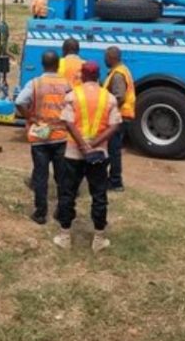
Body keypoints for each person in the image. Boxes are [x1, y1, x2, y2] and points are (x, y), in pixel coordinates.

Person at [54, 61, 122, 252]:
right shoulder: (108, 98)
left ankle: (65, 236)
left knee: (68, 193)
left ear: (82, 76)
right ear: (98, 75)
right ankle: (98, 239)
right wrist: (93, 144)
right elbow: (115, 125)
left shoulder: (72, 96)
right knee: (99, 195)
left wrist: (83, 145)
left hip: (74, 152)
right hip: (99, 154)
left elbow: (68, 123)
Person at [16, 50, 71, 225]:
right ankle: (62, 212)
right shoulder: (67, 85)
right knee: (62, 177)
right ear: (58, 65)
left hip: (40, 133)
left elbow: (19, 101)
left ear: (42, 64)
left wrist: (29, 116)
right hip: (60, 135)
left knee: (40, 175)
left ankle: (40, 213)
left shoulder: (35, 83)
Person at [103, 46, 135, 192]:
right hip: (121, 116)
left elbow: (119, 96)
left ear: (111, 58)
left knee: (113, 150)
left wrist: (107, 109)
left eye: (106, 57)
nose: (104, 59)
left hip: (119, 116)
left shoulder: (117, 75)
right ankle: (112, 179)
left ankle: (115, 182)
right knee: (112, 149)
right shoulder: (122, 70)